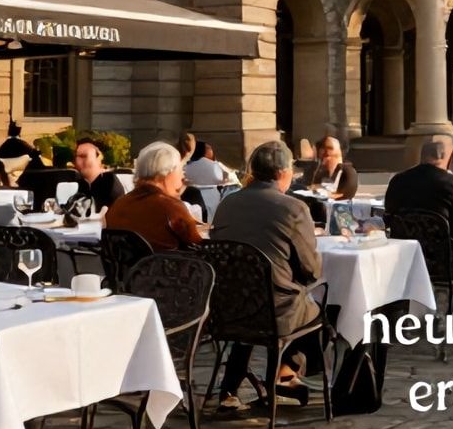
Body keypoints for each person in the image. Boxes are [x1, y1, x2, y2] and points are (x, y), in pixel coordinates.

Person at [208, 141, 324, 409]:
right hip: (275, 312)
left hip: (227, 308)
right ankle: (284, 375)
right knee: (320, 309)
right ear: (283, 172)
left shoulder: (227, 203)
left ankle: (230, 389)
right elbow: (311, 271)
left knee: (254, 294)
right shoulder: (293, 208)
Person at [386, 138, 453, 322]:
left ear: (422, 156)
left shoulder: (397, 181)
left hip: (404, 259)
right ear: (448, 157)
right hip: (442, 262)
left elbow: (388, 215)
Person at [105, 142, 203, 252]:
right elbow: (196, 243)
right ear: (167, 173)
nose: (182, 177)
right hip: (167, 262)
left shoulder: (118, 205)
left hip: (127, 263)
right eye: (181, 170)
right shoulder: (172, 207)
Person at [66, 138, 127, 212]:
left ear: (98, 158)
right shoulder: (79, 184)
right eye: (76, 156)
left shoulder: (109, 183)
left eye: (84, 156)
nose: (78, 161)